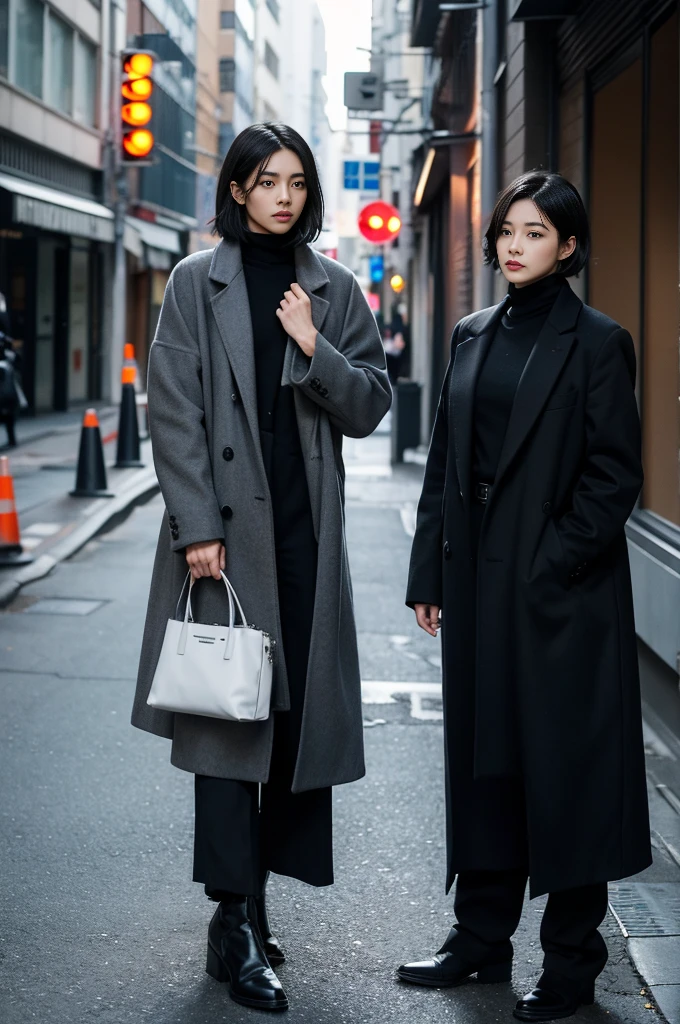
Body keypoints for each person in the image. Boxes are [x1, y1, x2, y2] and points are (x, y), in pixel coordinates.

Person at [131, 122, 391, 1013]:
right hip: (226, 543)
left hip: (305, 540)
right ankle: (235, 920)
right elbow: (172, 411)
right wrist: (195, 525)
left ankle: (249, 909)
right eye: (265, 180)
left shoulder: (334, 285)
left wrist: (316, 347)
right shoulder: (194, 284)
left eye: (296, 181)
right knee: (227, 726)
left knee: (284, 729)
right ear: (237, 190)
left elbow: (371, 405)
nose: (283, 194)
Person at [398, 171, 651, 1022]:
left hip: (562, 600)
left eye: (535, 232)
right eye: (507, 230)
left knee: (566, 771)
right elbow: (443, 465)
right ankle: (479, 939)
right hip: (476, 592)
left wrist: (551, 564)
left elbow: (615, 476)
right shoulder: (471, 334)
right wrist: (430, 576)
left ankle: (573, 960)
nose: (514, 245)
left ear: (570, 246)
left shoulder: (598, 342)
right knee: (486, 767)